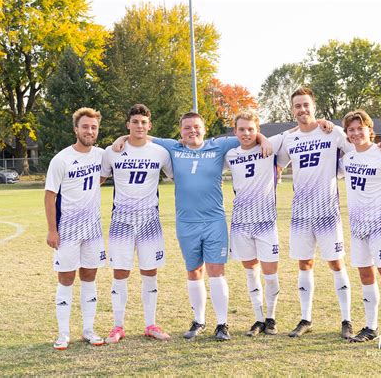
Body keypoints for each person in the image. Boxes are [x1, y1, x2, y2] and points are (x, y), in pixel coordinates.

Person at [113, 111, 273, 341]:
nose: (192, 131)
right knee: (193, 271)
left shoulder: (218, 146)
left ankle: (222, 324)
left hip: (214, 221)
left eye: (196, 126)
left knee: (216, 271)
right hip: (186, 223)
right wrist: (120, 138)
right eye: (187, 127)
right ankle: (198, 321)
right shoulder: (172, 147)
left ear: (204, 128)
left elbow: (248, 133)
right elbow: (141, 135)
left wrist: (264, 139)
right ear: (180, 131)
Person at [277, 87, 381, 339]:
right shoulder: (288, 138)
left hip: (328, 211)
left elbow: (362, 147)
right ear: (292, 109)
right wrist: (264, 141)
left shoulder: (334, 132)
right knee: (304, 263)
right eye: (297, 106)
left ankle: (346, 320)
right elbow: (272, 157)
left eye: (306, 105)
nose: (302, 109)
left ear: (313, 106)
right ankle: (305, 318)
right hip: (300, 212)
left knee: (336, 263)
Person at [102, 104, 173, 344]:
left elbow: (177, 176)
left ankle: (150, 324)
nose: (139, 126)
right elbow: (98, 180)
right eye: (135, 122)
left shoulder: (160, 152)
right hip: (121, 219)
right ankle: (117, 326)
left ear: (149, 126)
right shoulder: (112, 151)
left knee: (149, 272)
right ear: (128, 125)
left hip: (149, 220)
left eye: (143, 122)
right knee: (120, 272)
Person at [340, 110, 381, 349]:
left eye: (360, 128)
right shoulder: (347, 159)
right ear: (347, 134)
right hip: (358, 228)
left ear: (369, 128)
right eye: (351, 130)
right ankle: (370, 326)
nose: (356, 133)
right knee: (365, 276)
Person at [224, 110, 293, 337]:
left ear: (258, 130)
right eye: (241, 129)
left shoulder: (270, 148)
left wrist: (322, 122)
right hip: (241, 223)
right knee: (250, 272)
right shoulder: (230, 154)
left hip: (265, 221)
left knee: (270, 272)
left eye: (251, 129)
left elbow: (297, 130)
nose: (246, 133)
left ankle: (271, 317)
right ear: (235, 131)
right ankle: (257, 318)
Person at [44, 107, 106, 350]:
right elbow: (50, 197)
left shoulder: (101, 154)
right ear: (76, 129)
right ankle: (63, 333)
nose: (90, 131)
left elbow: (121, 151)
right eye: (85, 126)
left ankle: (89, 329)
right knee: (66, 278)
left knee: (90, 276)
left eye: (93, 127)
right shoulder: (61, 159)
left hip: (92, 228)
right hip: (67, 228)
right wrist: (52, 230)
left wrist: (122, 139)